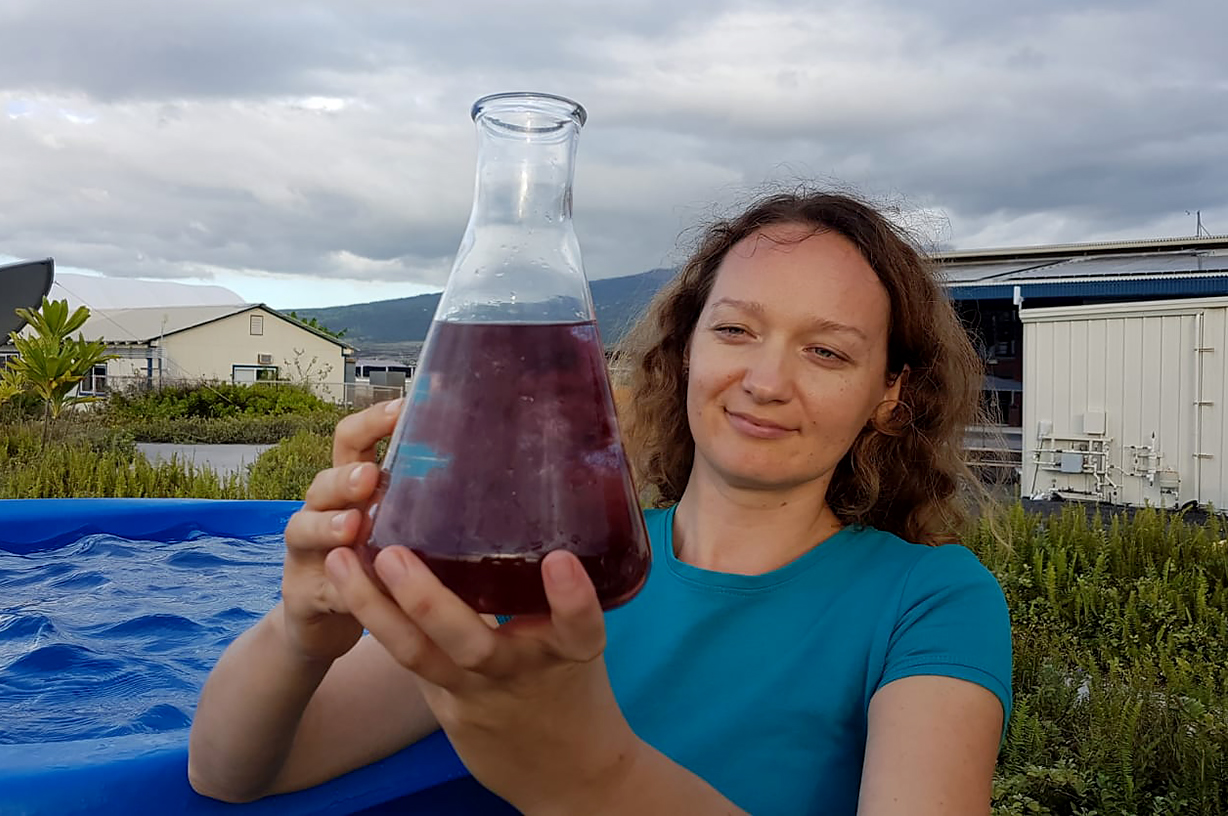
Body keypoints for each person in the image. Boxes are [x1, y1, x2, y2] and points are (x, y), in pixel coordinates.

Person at [187, 189, 1013, 815]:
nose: (766, 381)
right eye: (734, 331)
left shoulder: (929, 602)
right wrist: (301, 634)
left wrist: (583, 768)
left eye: (827, 351)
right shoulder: (551, 566)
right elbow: (230, 773)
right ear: (684, 348)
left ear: (889, 394)